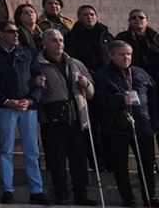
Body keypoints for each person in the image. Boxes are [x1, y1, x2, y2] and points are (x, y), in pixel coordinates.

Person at [0, 20, 50, 204]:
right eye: (11, 32)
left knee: (32, 151)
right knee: (6, 150)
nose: (16, 35)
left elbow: (40, 80)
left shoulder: (27, 52)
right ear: (1, 33)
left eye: (17, 32)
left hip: (28, 108)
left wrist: (31, 99)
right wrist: (5, 101)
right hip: (5, 108)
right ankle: (8, 189)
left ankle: (36, 191)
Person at [33, 29, 96, 205]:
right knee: (56, 159)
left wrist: (87, 84)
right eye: (54, 40)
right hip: (52, 119)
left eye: (61, 40)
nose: (59, 43)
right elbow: (30, 87)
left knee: (79, 159)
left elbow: (91, 92)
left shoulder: (76, 64)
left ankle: (80, 194)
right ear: (44, 43)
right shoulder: (38, 63)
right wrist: (34, 83)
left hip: (77, 118)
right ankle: (61, 193)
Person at [92, 40, 156, 208]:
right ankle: (128, 200)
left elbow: (153, 98)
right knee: (120, 167)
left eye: (129, 54)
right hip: (116, 128)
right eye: (122, 54)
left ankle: (150, 198)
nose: (126, 57)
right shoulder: (102, 75)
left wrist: (154, 122)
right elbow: (99, 98)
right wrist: (120, 100)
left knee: (147, 166)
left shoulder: (140, 73)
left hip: (142, 126)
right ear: (111, 55)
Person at [66, 4, 113, 74]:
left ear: (96, 17)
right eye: (85, 15)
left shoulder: (107, 36)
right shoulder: (71, 38)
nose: (89, 17)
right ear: (79, 17)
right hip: (85, 76)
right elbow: (72, 60)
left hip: (108, 76)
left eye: (92, 14)